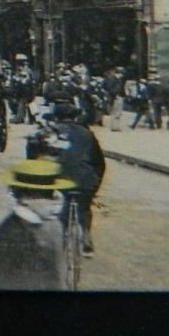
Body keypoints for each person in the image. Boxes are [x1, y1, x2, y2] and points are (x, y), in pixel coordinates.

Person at [0, 159, 75, 290]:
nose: (55, 202)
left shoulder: (52, 226)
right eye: (48, 195)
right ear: (26, 199)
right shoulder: (10, 234)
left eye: (55, 195)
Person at [39, 101, 106, 254]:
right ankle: (86, 235)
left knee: (56, 208)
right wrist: (95, 185)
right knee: (84, 206)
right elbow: (99, 162)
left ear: (56, 117)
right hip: (85, 181)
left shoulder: (48, 132)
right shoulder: (87, 133)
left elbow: (35, 158)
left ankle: (54, 241)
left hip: (57, 181)